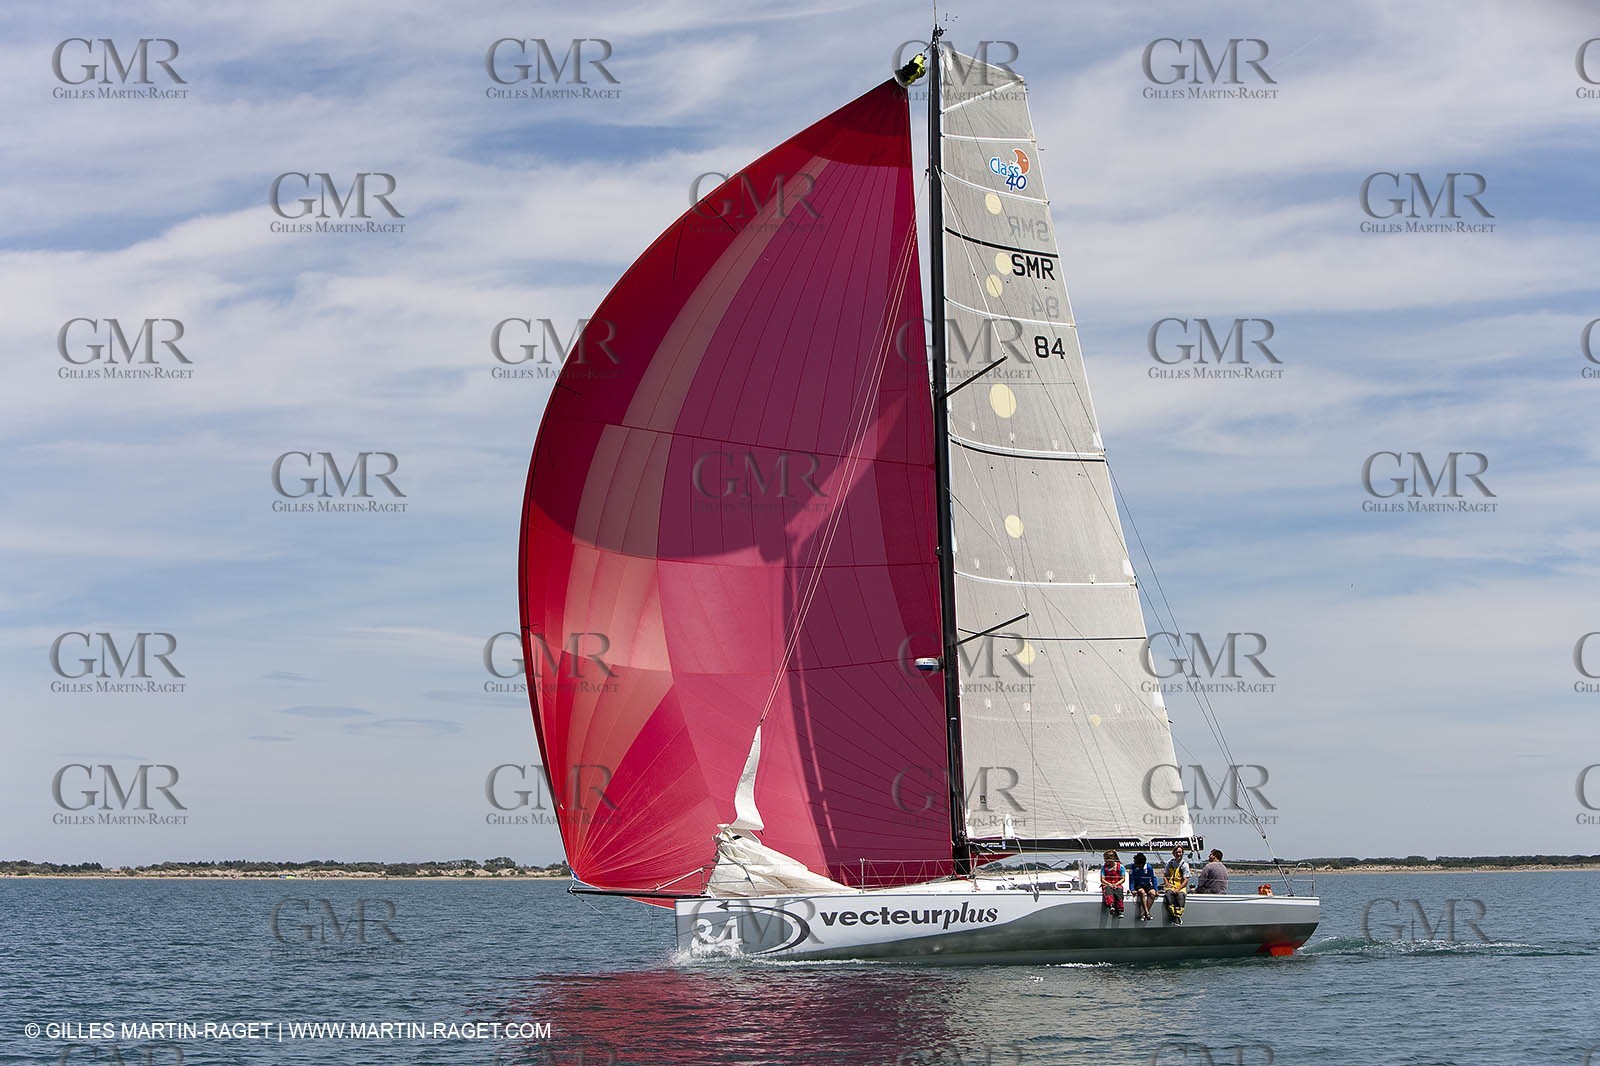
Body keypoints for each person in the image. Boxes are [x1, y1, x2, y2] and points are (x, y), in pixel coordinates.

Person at [1162, 846, 1190, 925]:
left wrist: (1178, 889)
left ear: (1182, 853)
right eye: (1177, 852)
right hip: (1170, 885)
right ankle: (1173, 914)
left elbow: (1186, 880)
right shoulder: (1170, 863)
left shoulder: (1184, 865)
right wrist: (1167, 883)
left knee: (1181, 896)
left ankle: (1178, 916)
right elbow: (1165, 875)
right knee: (1169, 894)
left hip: (1180, 886)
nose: (1178, 854)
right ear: (1173, 853)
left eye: (1180, 852)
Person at [1128, 852, 1159, 920]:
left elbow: (1153, 878)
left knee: (1152, 893)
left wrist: (1156, 889)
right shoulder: (1133, 867)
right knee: (1142, 892)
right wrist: (1132, 889)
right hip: (1138, 885)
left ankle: (1144, 913)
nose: (1137, 865)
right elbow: (1131, 879)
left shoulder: (1149, 867)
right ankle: (1147, 913)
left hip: (1147, 884)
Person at [1100, 849, 1126, 917]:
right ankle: (1111, 905)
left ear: (1113, 858)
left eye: (1106, 859)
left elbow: (1123, 879)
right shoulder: (1104, 867)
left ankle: (1120, 909)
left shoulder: (1120, 867)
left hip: (1117, 883)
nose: (1105, 861)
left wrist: (1116, 884)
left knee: (1119, 890)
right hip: (1107, 883)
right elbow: (1102, 879)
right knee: (1108, 889)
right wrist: (1110, 884)